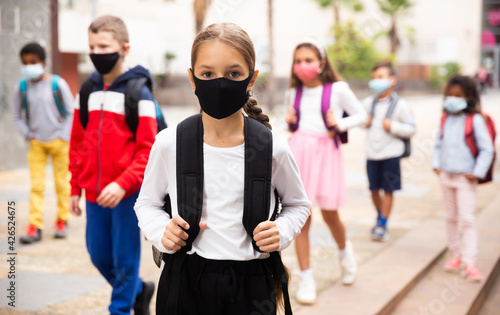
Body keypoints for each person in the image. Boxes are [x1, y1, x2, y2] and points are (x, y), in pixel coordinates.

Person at [134, 23, 311, 315]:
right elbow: (147, 203)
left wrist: (282, 229)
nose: (219, 83)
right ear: (192, 79)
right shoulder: (169, 143)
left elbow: (298, 204)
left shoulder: (272, 147)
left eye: (233, 74)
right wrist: (159, 232)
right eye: (207, 74)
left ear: (251, 79)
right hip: (184, 281)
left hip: (253, 284)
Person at [68, 15, 155, 315]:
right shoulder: (87, 91)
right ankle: (140, 290)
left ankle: (120, 309)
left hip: (126, 195)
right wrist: (74, 187)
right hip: (93, 194)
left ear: (124, 49)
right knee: (99, 256)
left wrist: (123, 183)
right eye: (92, 46)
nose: (96, 52)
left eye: (103, 46)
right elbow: (77, 144)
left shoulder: (139, 94)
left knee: (126, 259)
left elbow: (148, 151)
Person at [284, 38, 367, 304]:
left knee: (331, 214)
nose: (302, 66)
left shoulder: (337, 89)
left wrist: (339, 122)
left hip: (326, 154)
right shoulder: (292, 92)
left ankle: (345, 252)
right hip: (299, 153)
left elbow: (362, 116)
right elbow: (294, 127)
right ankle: (306, 277)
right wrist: (290, 122)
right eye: (298, 61)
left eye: (308, 60)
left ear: (321, 63)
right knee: (301, 216)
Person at [433, 74, 494, 282]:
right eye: (449, 95)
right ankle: (455, 255)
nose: (453, 99)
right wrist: (436, 165)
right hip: (446, 177)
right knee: (450, 217)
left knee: (467, 220)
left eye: (458, 95)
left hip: (465, 179)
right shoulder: (445, 119)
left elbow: (487, 149)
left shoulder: (475, 120)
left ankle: (470, 262)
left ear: (468, 97)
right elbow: (438, 144)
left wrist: (477, 172)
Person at [13, 42, 74, 243]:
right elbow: (17, 116)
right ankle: (35, 226)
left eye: (33, 62)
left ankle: (62, 220)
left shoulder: (58, 84)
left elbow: (70, 112)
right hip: (36, 144)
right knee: (37, 186)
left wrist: (63, 136)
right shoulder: (21, 88)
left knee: (61, 184)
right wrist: (28, 134)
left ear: (44, 63)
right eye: (25, 63)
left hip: (59, 142)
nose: (29, 66)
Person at [363, 61, 416, 242]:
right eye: (374, 77)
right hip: (372, 154)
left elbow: (411, 128)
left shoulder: (400, 105)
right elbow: (358, 120)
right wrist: (365, 122)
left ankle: (382, 223)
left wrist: (392, 126)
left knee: (389, 190)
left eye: (381, 77)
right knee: (373, 189)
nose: (376, 80)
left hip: (391, 155)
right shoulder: (368, 103)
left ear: (392, 80)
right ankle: (380, 215)